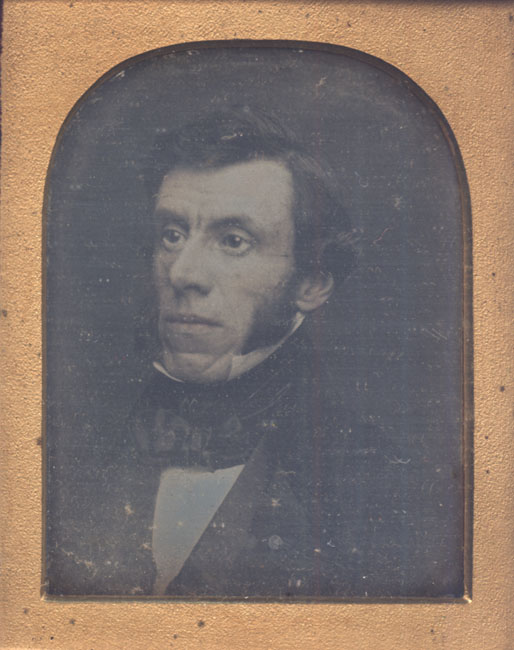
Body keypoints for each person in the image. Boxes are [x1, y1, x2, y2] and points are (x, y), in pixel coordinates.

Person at [46, 109, 452, 599]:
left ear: (311, 283)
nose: (182, 273)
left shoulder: (382, 486)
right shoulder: (68, 447)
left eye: (233, 241)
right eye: (172, 234)